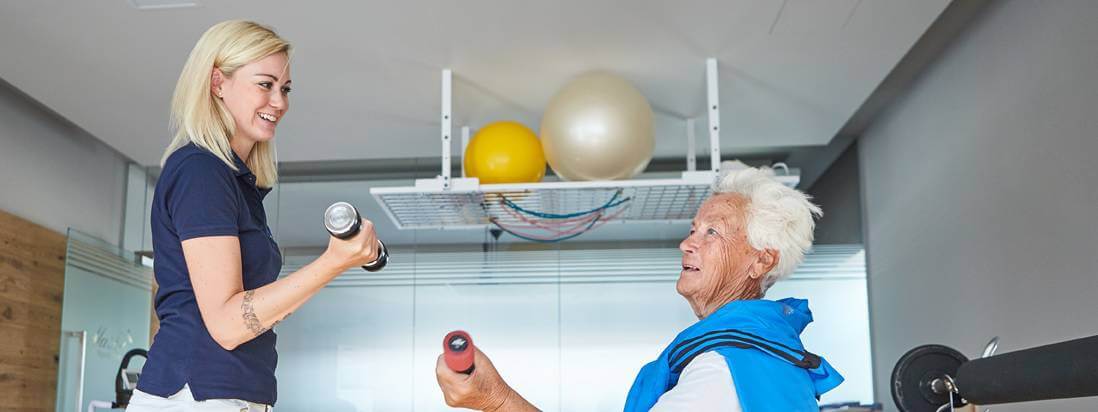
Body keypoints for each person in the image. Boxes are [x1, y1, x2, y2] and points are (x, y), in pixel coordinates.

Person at [435, 162, 844, 411]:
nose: (687, 243)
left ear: (761, 261)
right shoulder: (762, 354)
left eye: (712, 232)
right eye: (693, 229)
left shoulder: (726, 369)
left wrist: (495, 400)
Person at [128, 20, 380, 411]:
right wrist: (333, 262)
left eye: (285, 89)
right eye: (265, 84)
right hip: (193, 396)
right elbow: (227, 325)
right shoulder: (201, 171)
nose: (279, 102)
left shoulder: (236, 183)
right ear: (218, 83)